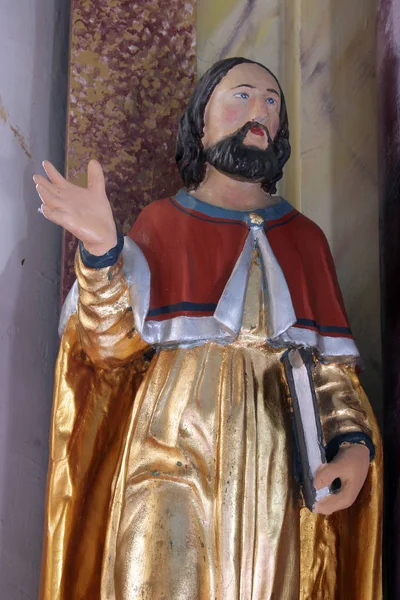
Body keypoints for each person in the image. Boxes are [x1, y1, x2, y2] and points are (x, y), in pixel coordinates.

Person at [35, 57, 381, 600]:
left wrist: (354, 447)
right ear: (202, 122)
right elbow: (107, 345)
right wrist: (103, 251)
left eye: (272, 101)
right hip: (169, 445)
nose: (259, 111)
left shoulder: (306, 239)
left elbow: (332, 374)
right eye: (242, 96)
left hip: (275, 464)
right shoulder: (162, 223)